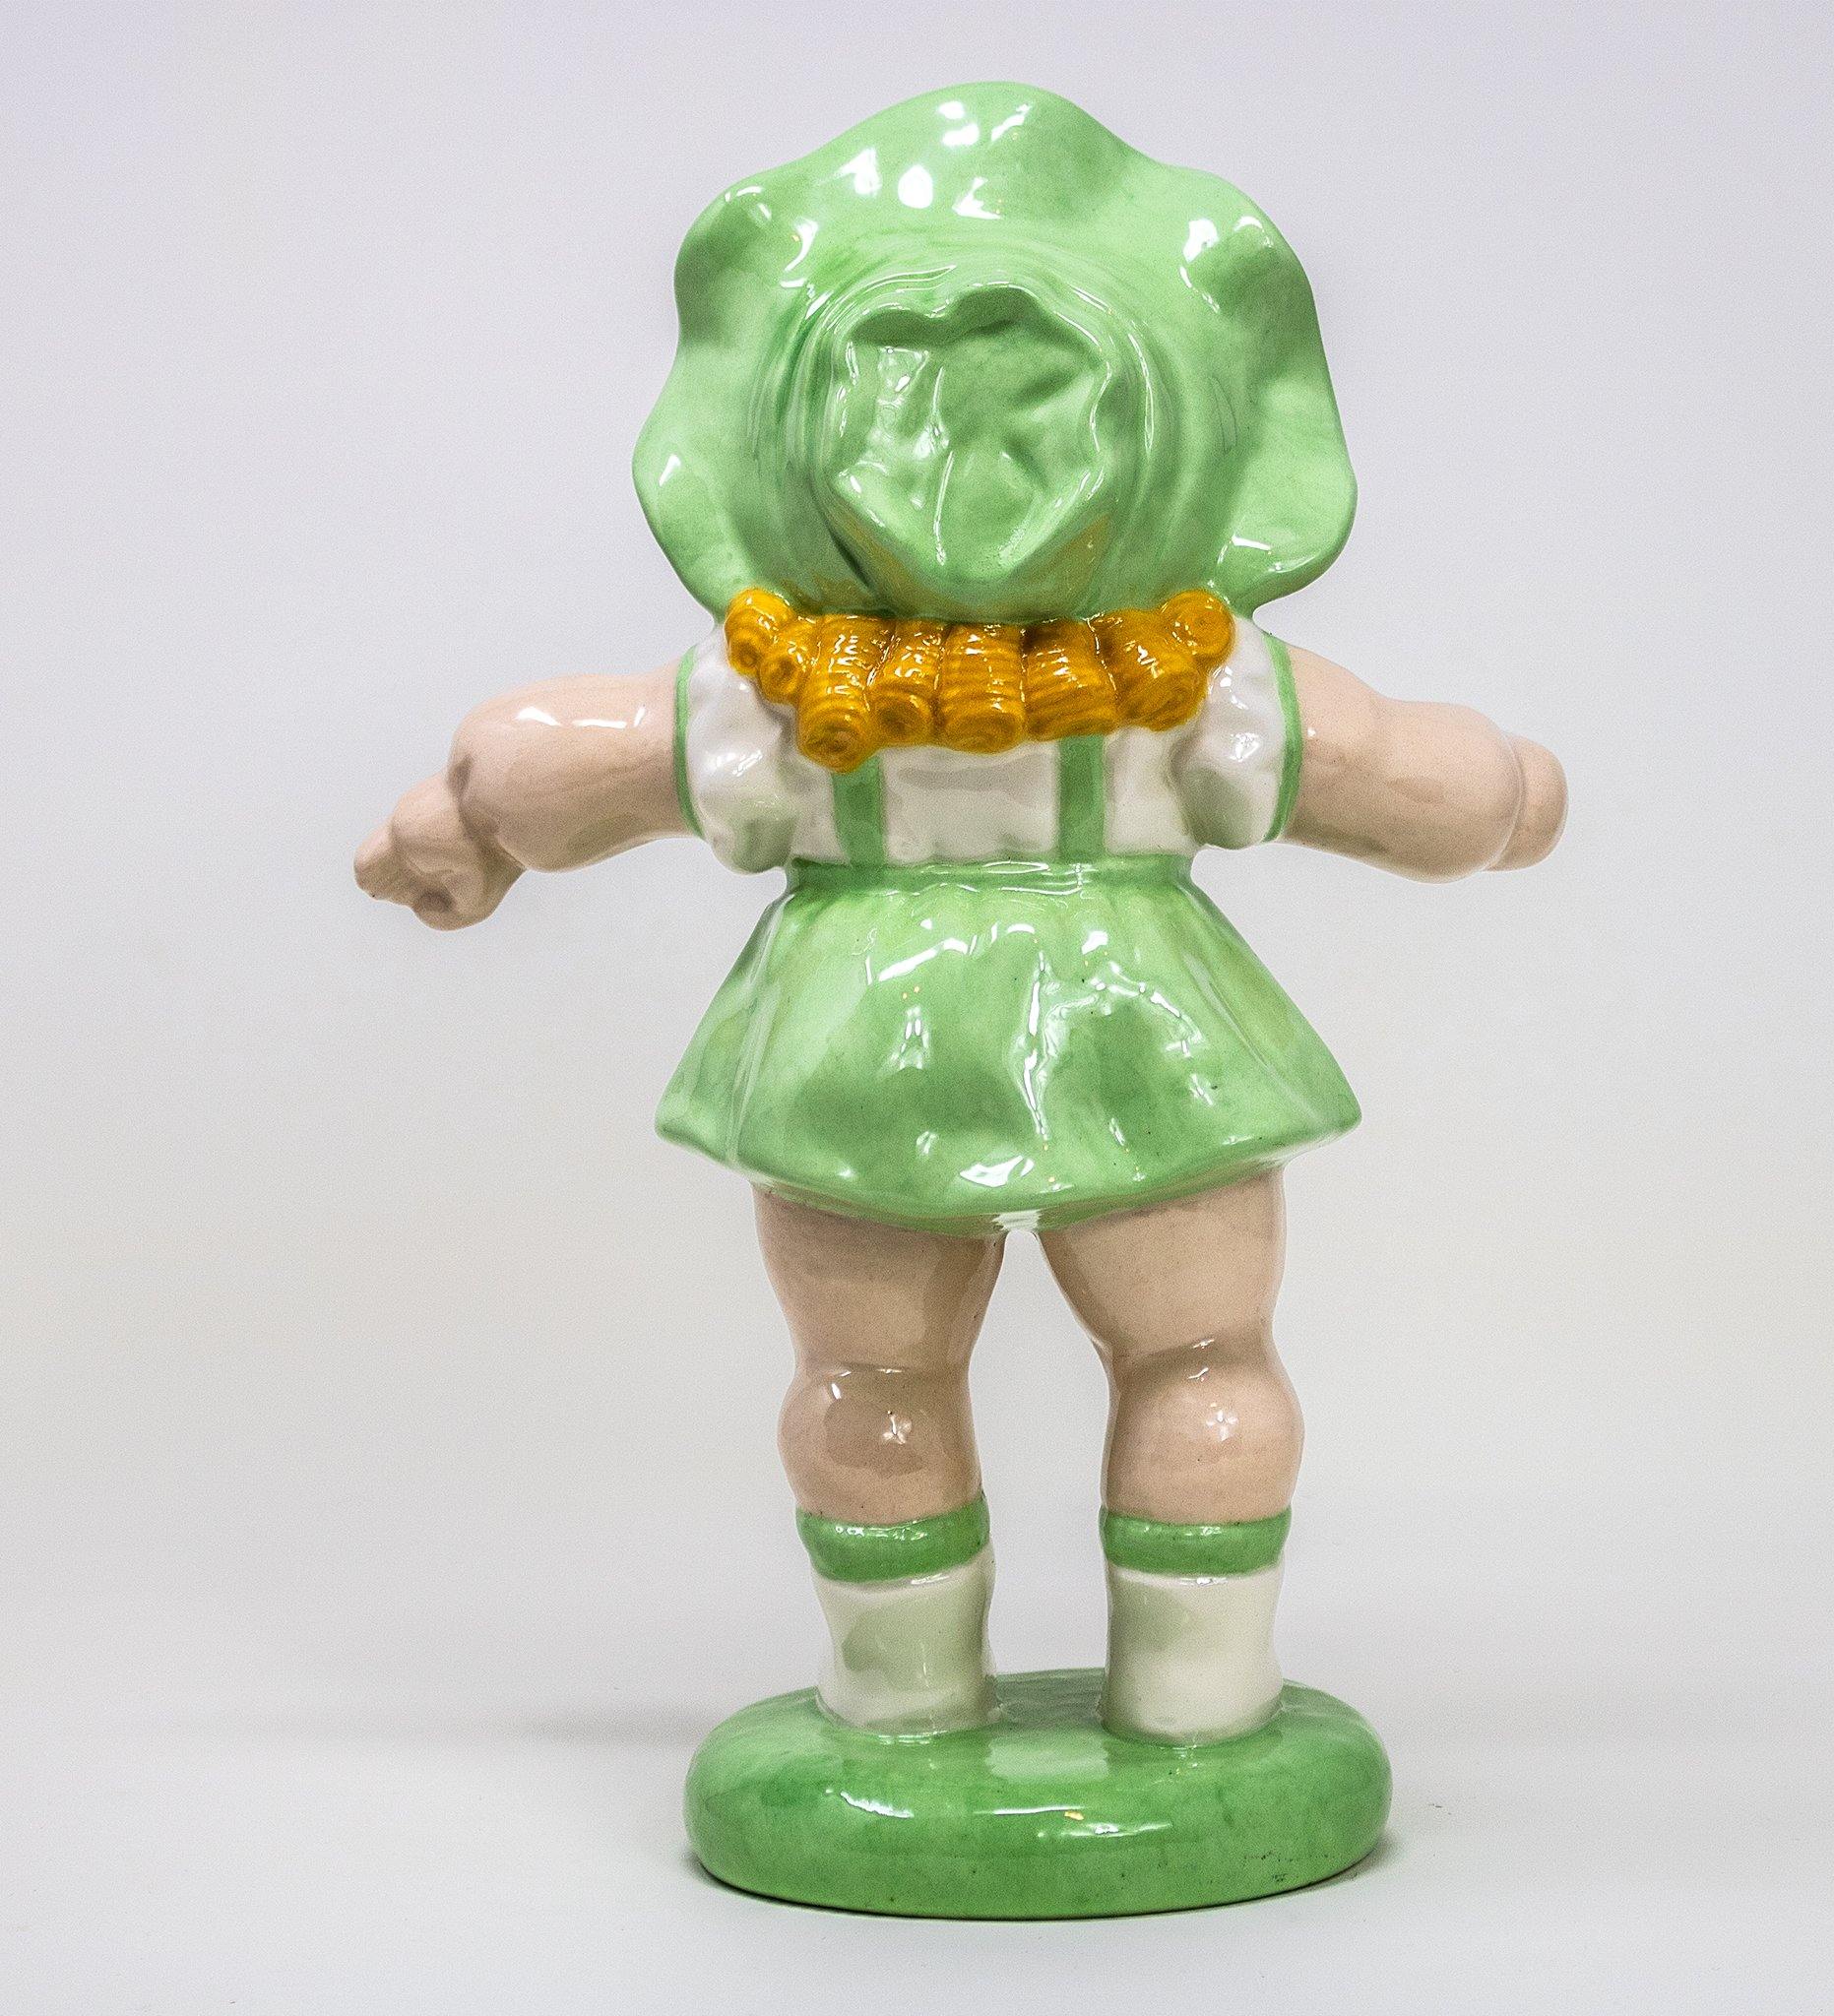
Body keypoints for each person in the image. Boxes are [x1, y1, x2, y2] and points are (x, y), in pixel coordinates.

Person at [356, 85, 1564, 1752]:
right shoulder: (1194, 694)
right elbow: (1398, 773)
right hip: (1147, 1042)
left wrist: (461, 825)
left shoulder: (787, 704)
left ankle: (904, 1697)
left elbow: (576, 758)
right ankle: (1197, 1703)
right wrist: (1514, 798)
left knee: (873, 1382)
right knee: (1199, 1354)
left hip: (859, 1049)